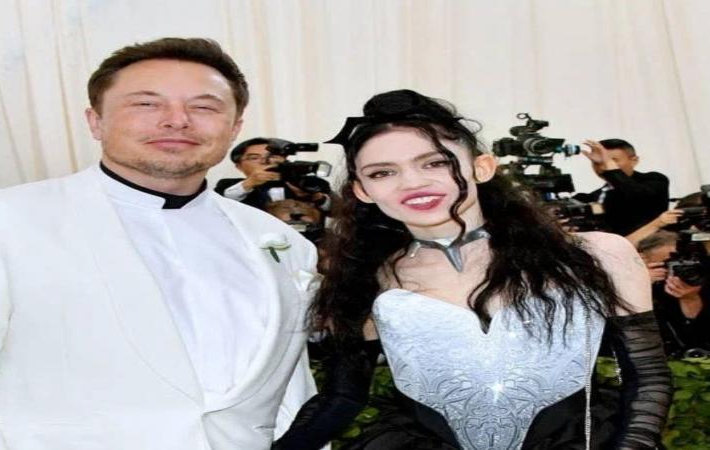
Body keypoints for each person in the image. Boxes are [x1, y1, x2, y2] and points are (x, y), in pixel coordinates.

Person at [0, 38, 319, 450]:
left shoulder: (280, 241)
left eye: (204, 107)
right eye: (147, 104)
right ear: (95, 121)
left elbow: (292, 386)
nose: (177, 120)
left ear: (235, 127)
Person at [273, 90, 672, 450]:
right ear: (362, 190)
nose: (412, 182)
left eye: (435, 162)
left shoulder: (595, 255)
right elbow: (342, 398)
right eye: (382, 172)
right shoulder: (367, 279)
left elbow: (647, 377)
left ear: (482, 167)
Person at [573, 139, 669, 236]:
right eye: (597, 162)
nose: (603, 166)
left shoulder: (654, 180)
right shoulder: (597, 195)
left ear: (634, 160)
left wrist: (609, 165)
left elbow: (636, 194)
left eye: (613, 160)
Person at [216, 137, 331, 211]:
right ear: (239, 166)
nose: (264, 161)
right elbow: (219, 205)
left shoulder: (311, 183)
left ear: (285, 159)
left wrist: (315, 196)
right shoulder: (229, 185)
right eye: (254, 158)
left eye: (272, 156)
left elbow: (335, 212)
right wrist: (249, 184)